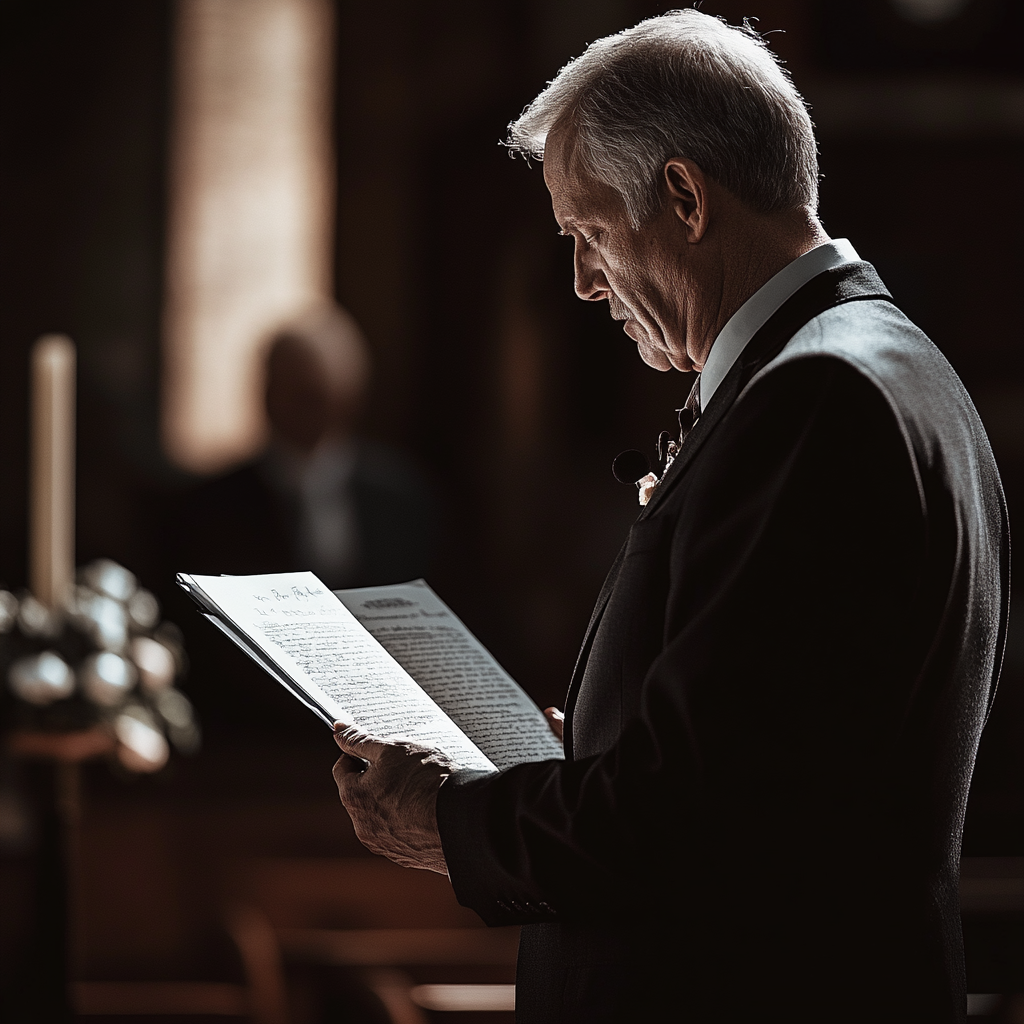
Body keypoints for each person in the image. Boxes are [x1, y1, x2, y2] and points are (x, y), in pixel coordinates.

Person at [330, 12, 1009, 1022]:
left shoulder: (814, 400)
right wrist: (578, 753)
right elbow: (768, 753)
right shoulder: (881, 362)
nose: (581, 281)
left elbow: (694, 819)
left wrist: (452, 816)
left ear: (683, 196)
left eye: (588, 232)